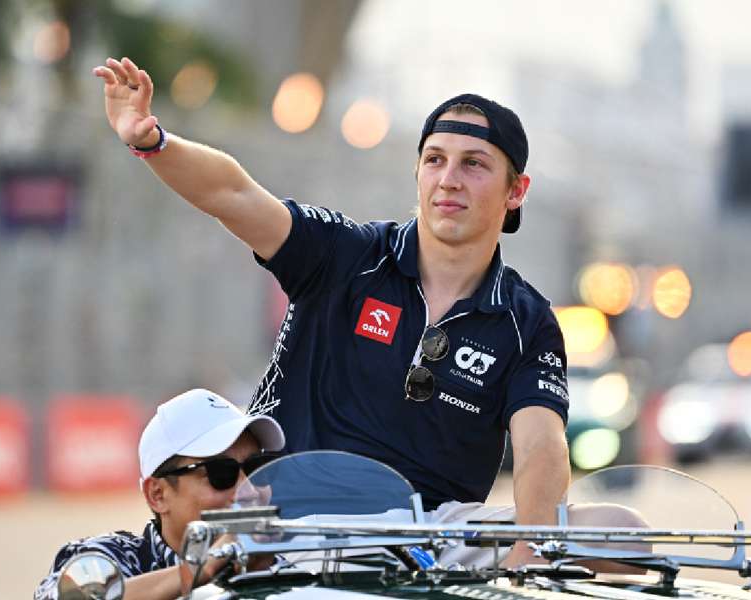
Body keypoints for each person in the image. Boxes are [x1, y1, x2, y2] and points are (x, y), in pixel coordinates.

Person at [93, 56, 571, 567]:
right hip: (293, 524)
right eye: (435, 159)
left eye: (474, 163)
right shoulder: (346, 254)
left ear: (516, 190)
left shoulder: (528, 322)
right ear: (417, 173)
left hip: (433, 539)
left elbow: (542, 445)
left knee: (620, 530)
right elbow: (232, 194)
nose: (449, 179)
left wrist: (530, 552)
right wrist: (153, 141)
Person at [34, 388, 286, 600]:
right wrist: (199, 570)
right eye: (221, 473)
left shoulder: (289, 569)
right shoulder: (113, 557)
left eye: (258, 468)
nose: (249, 491)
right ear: (157, 494)